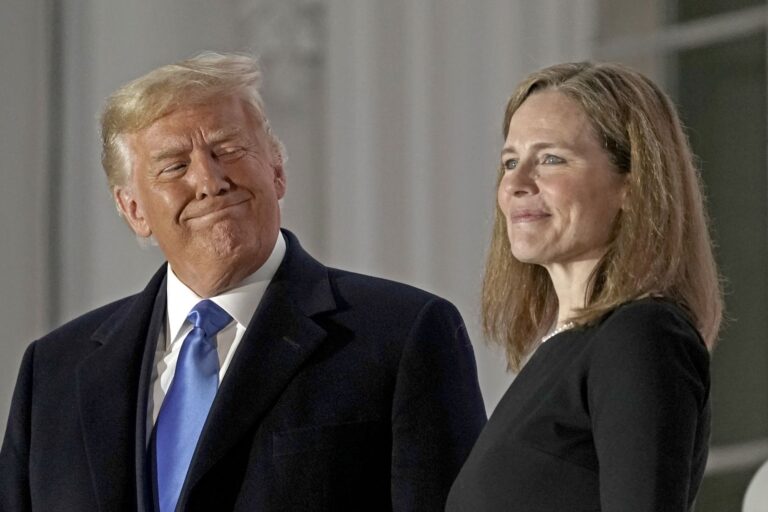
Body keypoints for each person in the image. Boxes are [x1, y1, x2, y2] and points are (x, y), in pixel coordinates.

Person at [0, 52, 487, 512]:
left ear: (276, 169)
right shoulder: (54, 373)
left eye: (228, 149)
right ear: (133, 209)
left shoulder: (403, 336)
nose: (210, 181)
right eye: (174, 166)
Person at [446, 62, 723, 511]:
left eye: (551, 159)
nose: (515, 183)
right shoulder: (564, 350)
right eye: (510, 162)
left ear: (632, 186)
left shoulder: (641, 337)